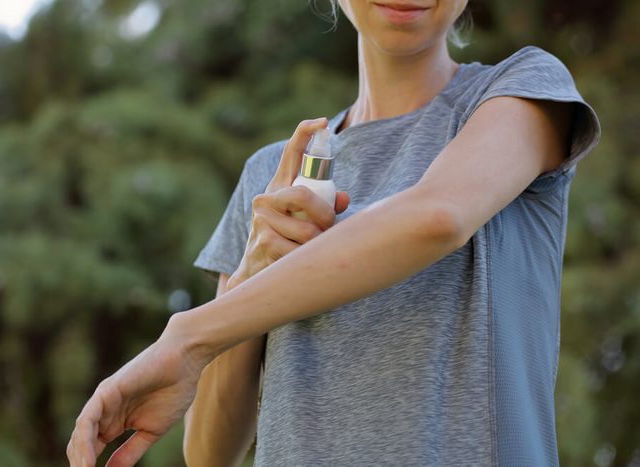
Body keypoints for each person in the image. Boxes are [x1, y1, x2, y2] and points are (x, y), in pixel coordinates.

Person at [66, 0, 601, 465]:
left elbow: (437, 218)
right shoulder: (270, 173)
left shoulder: (525, 90)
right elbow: (208, 454)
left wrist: (188, 336)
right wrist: (251, 271)